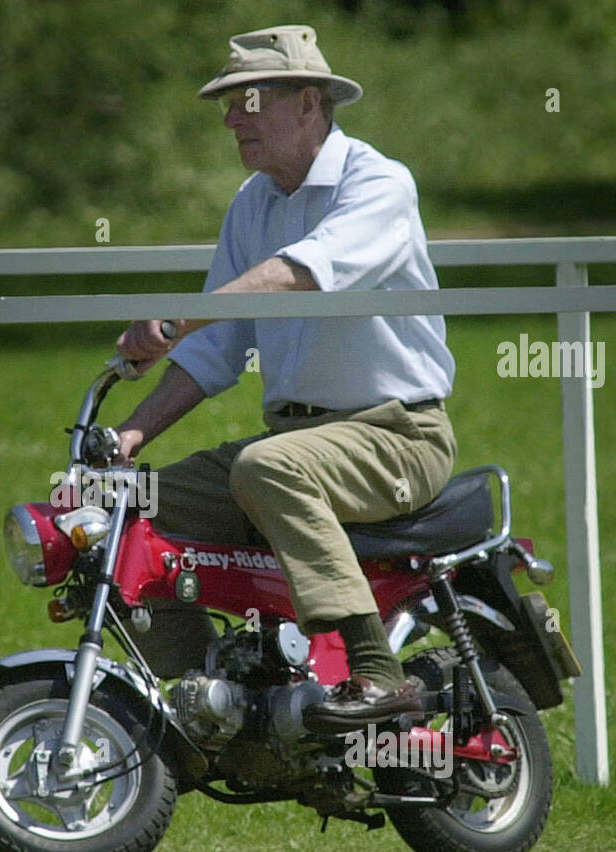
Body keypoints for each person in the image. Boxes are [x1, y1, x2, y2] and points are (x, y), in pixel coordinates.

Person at [113, 24, 456, 722]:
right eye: (228, 102)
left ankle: (376, 671)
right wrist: (130, 434)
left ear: (308, 102)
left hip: (398, 436)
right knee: (126, 508)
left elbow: (304, 274)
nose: (235, 117)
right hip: (296, 443)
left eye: (251, 98)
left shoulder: (379, 183)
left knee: (269, 468)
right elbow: (217, 347)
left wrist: (177, 318)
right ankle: (205, 708)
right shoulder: (253, 202)